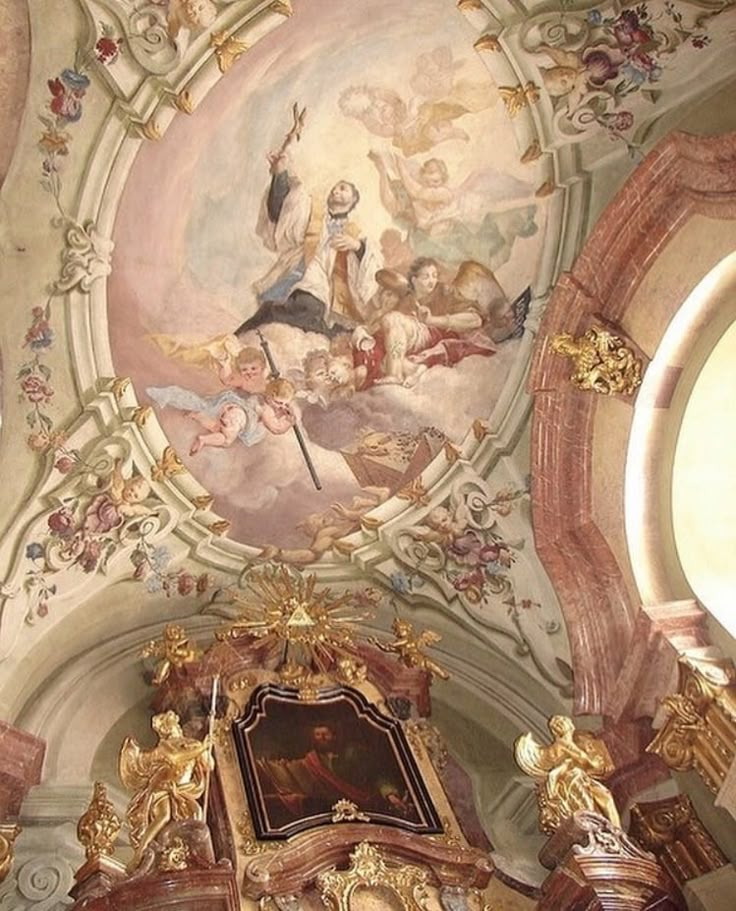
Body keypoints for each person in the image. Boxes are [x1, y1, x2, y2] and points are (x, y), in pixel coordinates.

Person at [237, 151, 381, 338]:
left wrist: (357, 247)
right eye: (335, 188)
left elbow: (371, 272)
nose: (336, 190)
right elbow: (283, 212)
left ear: (354, 199)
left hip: (322, 286)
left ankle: (324, 328)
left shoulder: (355, 233)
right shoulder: (312, 210)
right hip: (296, 272)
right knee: (284, 309)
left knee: (308, 306)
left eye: (343, 188)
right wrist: (280, 175)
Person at [256, 721, 417, 826]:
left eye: (325, 734)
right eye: (318, 735)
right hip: (329, 808)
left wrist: (390, 794)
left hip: (366, 805)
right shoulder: (312, 759)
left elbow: (377, 775)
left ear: (334, 735)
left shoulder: (353, 752)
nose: (322, 738)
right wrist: (281, 767)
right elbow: (294, 772)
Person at [119, 711, 214, 871]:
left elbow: (209, 766)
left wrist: (206, 750)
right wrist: (202, 746)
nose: (168, 730)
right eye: (164, 728)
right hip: (162, 787)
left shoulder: (192, 744)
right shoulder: (166, 745)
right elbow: (175, 757)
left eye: (169, 726)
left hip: (182, 791)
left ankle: (187, 853)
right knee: (164, 816)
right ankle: (139, 854)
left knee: (196, 814)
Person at [146, 377, 296, 455]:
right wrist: (290, 420)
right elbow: (276, 429)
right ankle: (203, 440)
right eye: (280, 403)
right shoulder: (267, 410)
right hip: (238, 419)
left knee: (211, 418)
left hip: (230, 407)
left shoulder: (260, 396)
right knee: (226, 440)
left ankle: (193, 412)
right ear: (270, 397)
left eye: (284, 405)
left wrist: (280, 410)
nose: (282, 407)